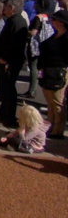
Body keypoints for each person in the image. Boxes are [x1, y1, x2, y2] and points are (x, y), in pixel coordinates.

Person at [0, 0, 29, 128]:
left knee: (8, 89)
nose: (4, 9)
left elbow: (16, 45)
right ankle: (4, 113)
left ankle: (9, 117)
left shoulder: (18, 22)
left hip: (10, 61)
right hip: (5, 59)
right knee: (3, 89)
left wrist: (6, 58)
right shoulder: (12, 21)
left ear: (12, 8)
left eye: (6, 7)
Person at [35, 9, 68, 139]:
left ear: (61, 23)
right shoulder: (55, 35)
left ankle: (58, 130)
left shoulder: (65, 38)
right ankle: (50, 126)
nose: (52, 22)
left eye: (54, 20)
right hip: (49, 70)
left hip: (60, 71)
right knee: (50, 101)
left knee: (58, 101)